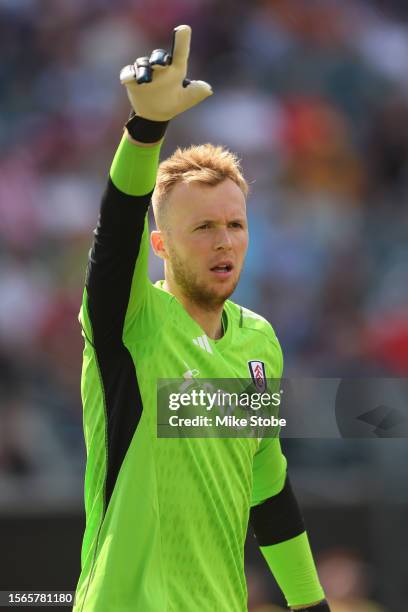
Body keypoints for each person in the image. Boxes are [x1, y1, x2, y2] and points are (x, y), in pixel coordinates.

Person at [73, 25, 330, 612]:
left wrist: (311, 605)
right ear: (160, 245)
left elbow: (267, 486)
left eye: (235, 225)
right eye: (203, 227)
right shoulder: (134, 320)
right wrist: (145, 134)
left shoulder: (258, 341)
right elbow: (113, 242)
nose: (225, 242)